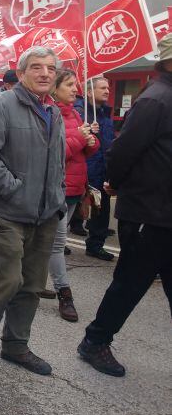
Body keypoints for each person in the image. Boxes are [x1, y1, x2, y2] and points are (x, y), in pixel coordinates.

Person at [0, 46, 66, 376]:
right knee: (8, 280)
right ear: (21, 73)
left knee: (32, 285)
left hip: (45, 215)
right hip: (9, 213)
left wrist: (57, 197)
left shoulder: (53, 111)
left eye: (50, 68)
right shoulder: (1, 105)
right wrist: (14, 190)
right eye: (36, 67)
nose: (45, 73)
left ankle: (15, 345)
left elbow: (57, 162)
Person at [77, 34, 172, 377]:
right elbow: (122, 151)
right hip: (150, 212)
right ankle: (94, 341)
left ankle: (95, 340)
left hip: (165, 212)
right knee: (130, 283)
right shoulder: (156, 100)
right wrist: (115, 183)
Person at [43, 69, 100, 322]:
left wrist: (91, 140)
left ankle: (30, 281)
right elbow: (54, 154)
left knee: (47, 242)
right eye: (68, 85)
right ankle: (64, 294)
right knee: (56, 244)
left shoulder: (76, 113)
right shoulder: (48, 114)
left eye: (75, 85)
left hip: (76, 188)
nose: (75, 89)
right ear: (55, 89)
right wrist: (79, 137)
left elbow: (84, 152)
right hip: (58, 189)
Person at [75, 77, 115, 261]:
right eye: (102, 88)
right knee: (73, 205)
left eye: (108, 88)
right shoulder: (80, 113)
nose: (107, 91)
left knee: (101, 207)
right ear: (90, 92)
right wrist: (87, 131)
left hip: (102, 167)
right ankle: (55, 243)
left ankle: (96, 244)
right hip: (85, 167)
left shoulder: (105, 114)